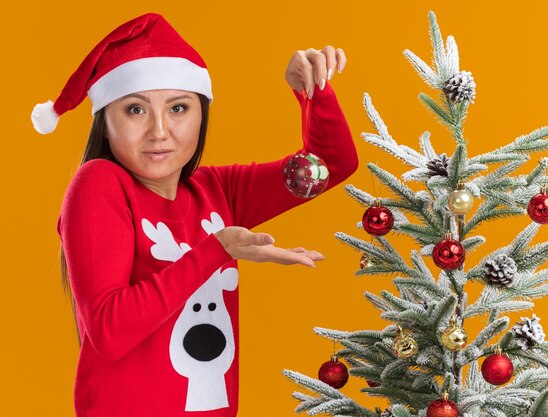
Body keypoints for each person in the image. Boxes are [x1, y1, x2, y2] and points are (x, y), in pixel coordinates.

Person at [31, 12, 358, 417]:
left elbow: (327, 166)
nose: (159, 131)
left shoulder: (217, 190)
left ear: (202, 113)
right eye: (135, 110)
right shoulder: (98, 184)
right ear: (105, 121)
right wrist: (215, 249)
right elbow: (109, 330)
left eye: (179, 108)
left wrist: (313, 93)